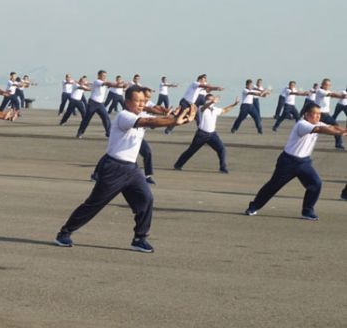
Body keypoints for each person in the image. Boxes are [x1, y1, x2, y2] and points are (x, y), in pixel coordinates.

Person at [53, 86, 197, 253]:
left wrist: (183, 118)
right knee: (94, 204)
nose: (142, 105)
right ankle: (64, 233)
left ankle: (139, 238)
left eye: (143, 102)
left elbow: (158, 118)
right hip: (114, 168)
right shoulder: (124, 116)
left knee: (146, 199)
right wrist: (174, 120)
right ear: (128, 102)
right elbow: (150, 122)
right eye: (138, 101)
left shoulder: (140, 113)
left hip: (132, 169)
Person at [244, 103, 347, 220]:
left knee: (316, 183)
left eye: (320, 114)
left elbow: (333, 127)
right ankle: (253, 206)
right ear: (306, 114)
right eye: (315, 114)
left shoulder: (318, 122)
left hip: (304, 163)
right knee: (273, 186)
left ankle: (307, 211)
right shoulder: (302, 124)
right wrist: (338, 133)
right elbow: (320, 129)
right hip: (288, 162)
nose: (318, 116)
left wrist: (343, 130)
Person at [174, 93, 238, 173]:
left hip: (212, 134)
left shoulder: (215, 109)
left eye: (212, 99)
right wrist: (211, 102)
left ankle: (223, 168)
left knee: (222, 149)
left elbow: (224, 110)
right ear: (206, 100)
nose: (212, 100)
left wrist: (234, 105)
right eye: (210, 99)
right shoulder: (201, 108)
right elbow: (204, 107)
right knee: (191, 151)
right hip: (201, 134)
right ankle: (178, 165)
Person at [305, 78, 347, 149]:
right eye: (327, 85)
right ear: (323, 85)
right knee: (335, 126)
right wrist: (341, 96)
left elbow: (331, 95)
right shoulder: (320, 91)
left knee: (314, 128)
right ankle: (338, 144)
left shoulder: (327, 90)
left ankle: (338, 144)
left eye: (329, 85)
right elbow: (331, 94)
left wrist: (337, 96)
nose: (329, 86)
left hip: (324, 114)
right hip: (320, 114)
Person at [76, 70, 119, 138]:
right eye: (103, 76)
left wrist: (119, 85)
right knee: (87, 119)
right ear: (99, 76)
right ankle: (80, 133)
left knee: (106, 118)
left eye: (105, 76)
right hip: (93, 103)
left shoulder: (104, 82)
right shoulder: (97, 81)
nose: (104, 77)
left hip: (100, 104)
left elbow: (109, 85)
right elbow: (106, 84)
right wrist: (115, 84)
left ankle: (109, 133)